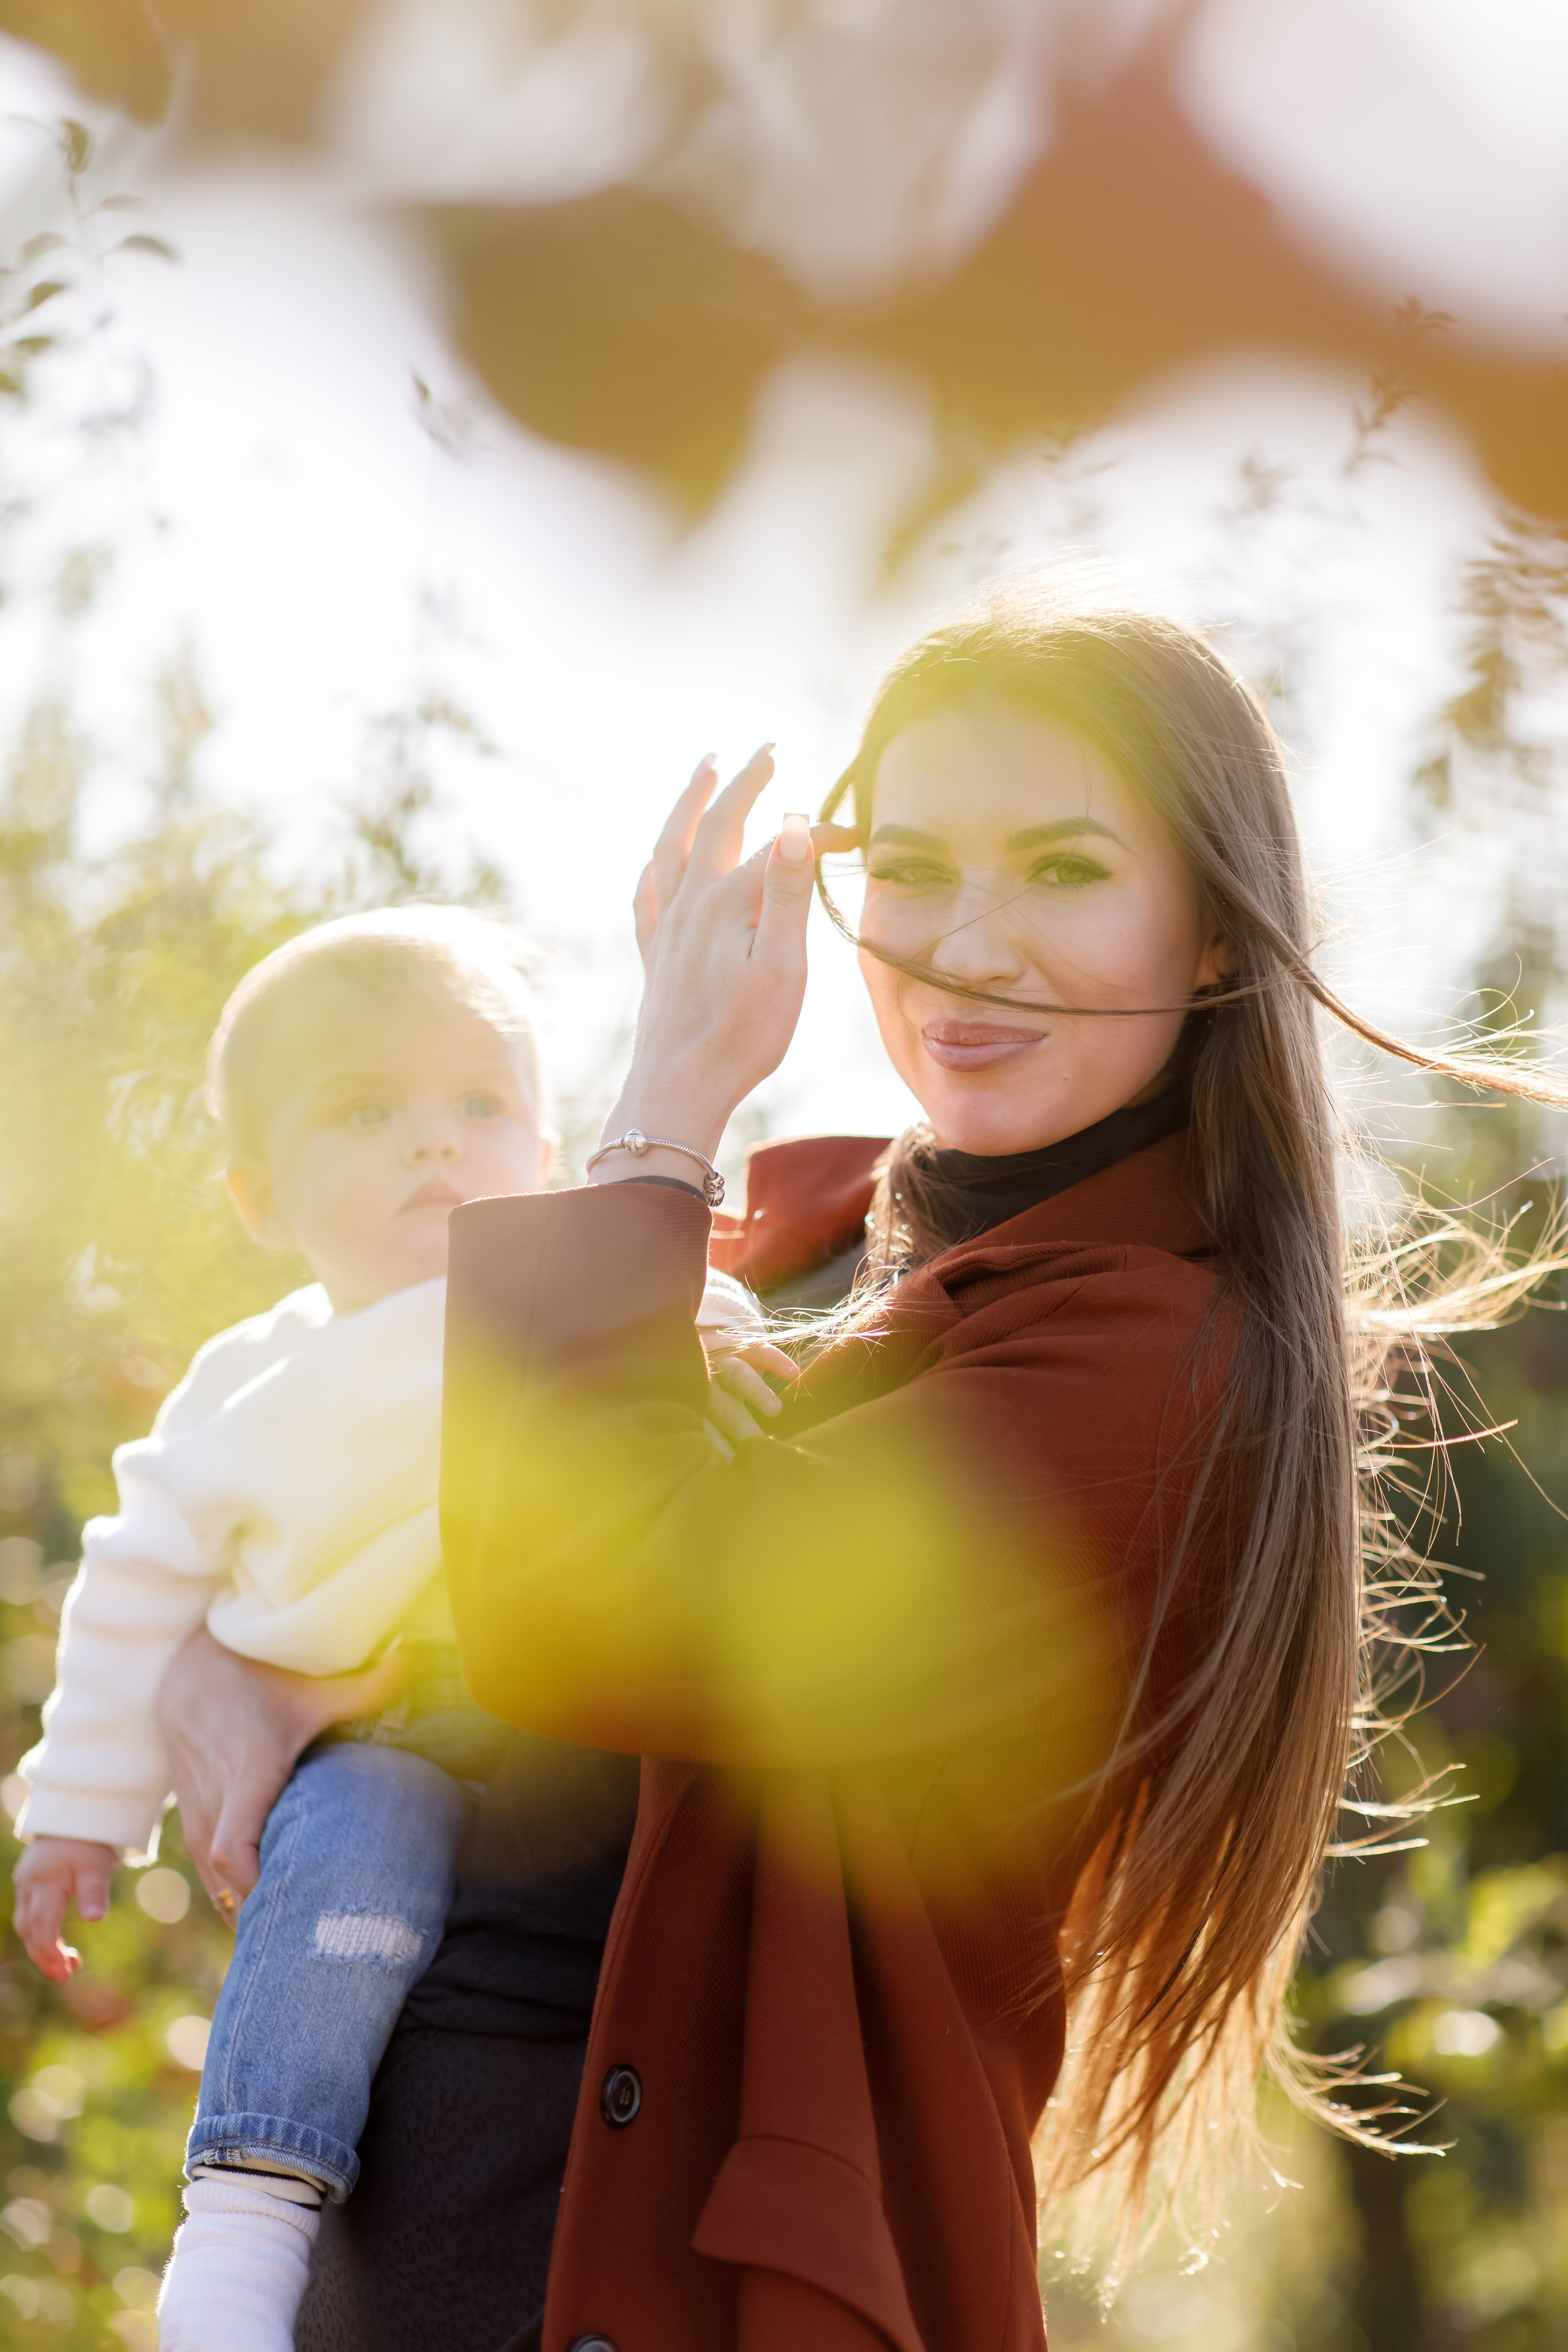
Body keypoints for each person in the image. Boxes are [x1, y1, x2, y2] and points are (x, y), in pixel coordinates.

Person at [164, 596, 1556, 2352]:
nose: (967, 944)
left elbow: (599, 1616)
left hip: (668, 2281)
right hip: (415, 2240)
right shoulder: (799, 1244)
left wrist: (666, 1082)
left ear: (1213, 933)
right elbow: (345, 1448)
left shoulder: (1147, 1358)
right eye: (910, 868)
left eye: (1062, 868)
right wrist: (221, 1651)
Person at [10, 902, 761, 2352]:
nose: (433, 1143)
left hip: (567, 1742)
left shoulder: (556, 1307)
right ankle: (246, 2205)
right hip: (370, 1749)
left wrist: (712, 1350)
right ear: (259, 1197)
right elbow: (133, 1584)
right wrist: (79, 1810)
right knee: (343, 1898)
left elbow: (682, 1310)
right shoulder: (243, 1384)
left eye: (478, 1104)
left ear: (542, 1151)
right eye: (365, 1112)